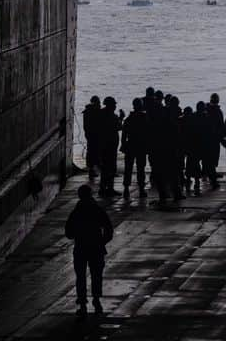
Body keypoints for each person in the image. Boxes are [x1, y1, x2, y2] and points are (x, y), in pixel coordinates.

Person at [65, 184, 113, 317]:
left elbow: (68, 232)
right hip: (96, 247)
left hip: (81, 247)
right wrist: (102, 241)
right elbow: (108, 228)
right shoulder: (97, 209)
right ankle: (96, 298)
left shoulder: (76, 211)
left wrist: (77, 234)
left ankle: (82, 301)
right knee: (96, 274)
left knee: (80, 276)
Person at [121, 97, 149, 199]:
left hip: (130, 145)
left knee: (128, 168)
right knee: (140, 168)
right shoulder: (145, 118)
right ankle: (141, 190)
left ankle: (126, 190)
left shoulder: (128, 119)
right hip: (141, 146)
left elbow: (124, 135)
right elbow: (148, 134)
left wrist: (123, 145)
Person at [95, 97, 123, 197]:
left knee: (104, 168)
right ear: (111, 105)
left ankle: (103, 188)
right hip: (110, 146)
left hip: (103, 145)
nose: (115, 106)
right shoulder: (112, 116)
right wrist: (121, 118)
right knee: (111, 168)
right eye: (114, 104)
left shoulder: (100, 115)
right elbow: (119, 127)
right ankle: (109, 189)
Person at [178, 106, 202, 196]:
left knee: (188, 163)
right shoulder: (194, 121)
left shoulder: (181, 121)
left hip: (185, 145)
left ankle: (188, 179)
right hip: (194, 145)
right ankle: (196, 181)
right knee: (195, 163)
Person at [203, 93, 225, 188]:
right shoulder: (217, 111)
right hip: (214, 137)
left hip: (208, 137)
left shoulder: (206, 110)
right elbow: (221, 125)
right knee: (212, 157)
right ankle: (212, 178)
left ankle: (208, 173)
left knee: (209, 157)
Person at [83, 96, 101, 179]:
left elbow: (85, 125)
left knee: (90, 152)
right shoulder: (97, 112)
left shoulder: (87, 111)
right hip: (96, 135)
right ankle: (96, 169)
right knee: (97, 152)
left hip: (89, 134)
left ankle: (91, 170)